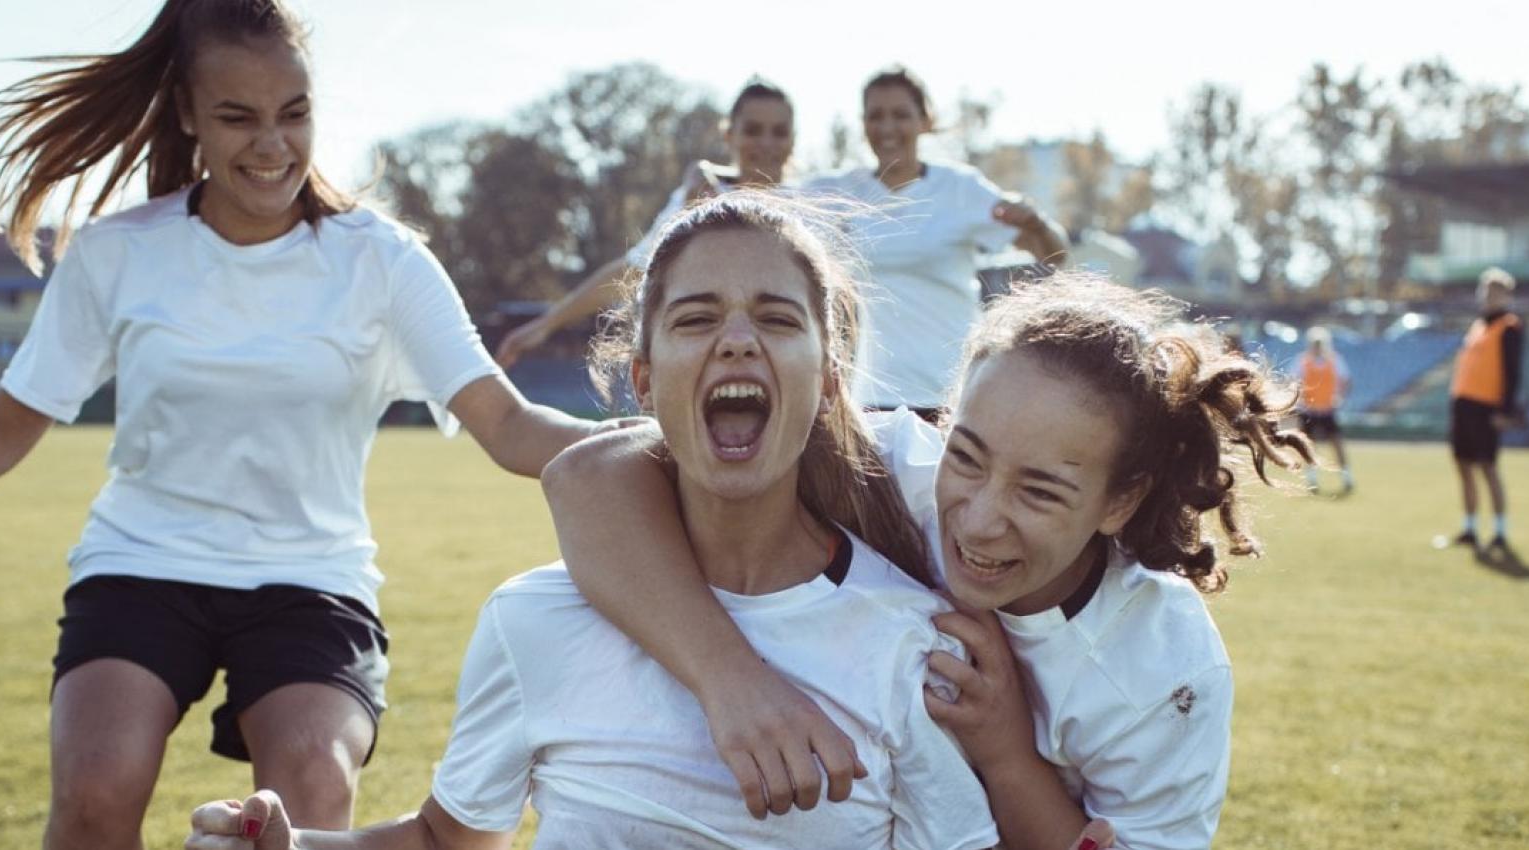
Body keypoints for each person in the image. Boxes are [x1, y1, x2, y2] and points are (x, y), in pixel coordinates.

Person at [0, 1, 608, 845]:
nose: (273, 145)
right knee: (95, 791)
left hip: (311, 578)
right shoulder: (118, 253)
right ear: (189, 114)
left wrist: (650, 447)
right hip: (141, 563)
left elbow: (508, 423)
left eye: (294, 114)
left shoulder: (383, 261)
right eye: (238, 117)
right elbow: (3, 428)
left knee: (308, 792)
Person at [186, 192, 1050, 849]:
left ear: (829, 381)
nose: (738, 341)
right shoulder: (532, 621)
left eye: (778, 318)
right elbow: (446, 839)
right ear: (643, 383)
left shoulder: (912, 642)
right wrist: (291, 844)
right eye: (697, 318)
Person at [542, 272, 1311, 849]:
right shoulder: (888, 471)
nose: (977, 520)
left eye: (1040, 492)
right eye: (967, 456)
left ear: (1119, 501)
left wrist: (1007, 754)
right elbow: (588, 476)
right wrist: (732, 682)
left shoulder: (1163, 665)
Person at [804, 66, 1068, 418]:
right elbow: (757, 195)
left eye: (900, 115)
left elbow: (1054, 255)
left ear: (924, 121)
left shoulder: (959, 188)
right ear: (862, 122)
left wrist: (1036, 221)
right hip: (863, 396)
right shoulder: (837, 191)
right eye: (875, 116)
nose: (886, 128)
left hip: (949, 393)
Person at [493, 78, 799, 366]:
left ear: (793, 139)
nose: (766, 142)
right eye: (753, 130)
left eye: (779, 132)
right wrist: (546, 325)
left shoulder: (817, 202)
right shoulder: (697, 196)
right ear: (728, 134)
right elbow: (635, 269)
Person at [1443, 267, 1524, 553]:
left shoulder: (1510, 326)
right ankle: (1469, 528)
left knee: (1488, 467)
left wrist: (1505, 410)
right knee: (1463, 466)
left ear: (1506, 295)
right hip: (1463, 405)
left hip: (1486, 407)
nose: (1489, 297)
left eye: (1495, 292)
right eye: (1486, 291)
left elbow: (1512, 372)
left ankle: (1500, 532)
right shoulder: (1477, 326)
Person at [1297, 326, 1354, 495]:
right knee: (1309, 448)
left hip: (1328, 410)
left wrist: (1340, 398)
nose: (1317, 347)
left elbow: (1346, 381)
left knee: (1337, 445)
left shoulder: (1335, 361)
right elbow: (1294, 382)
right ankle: (1312, 480)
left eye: (1320, 343)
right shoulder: (1302, 362)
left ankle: (1347, 478)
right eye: (1315, 344)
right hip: (1308, 411)